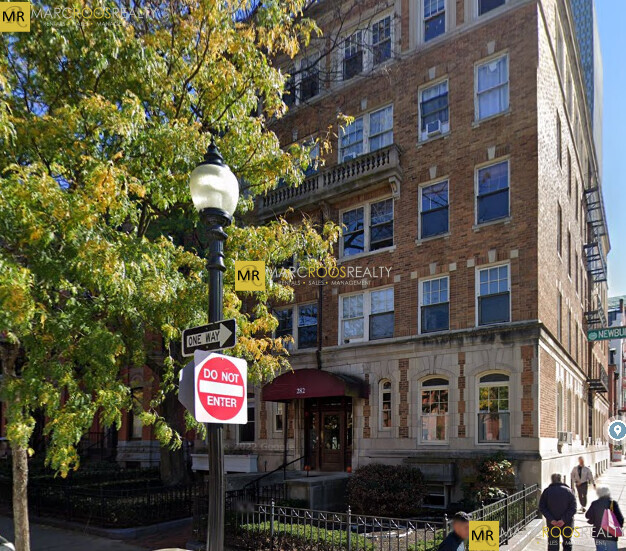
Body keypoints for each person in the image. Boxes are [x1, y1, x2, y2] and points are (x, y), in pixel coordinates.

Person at [539, 473, 577, 551]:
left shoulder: (547, 491)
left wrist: (551, 519)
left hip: (552, 524)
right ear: (561, 480)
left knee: (553, 544)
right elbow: (573, 508)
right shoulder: (569, 491)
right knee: (567, 543)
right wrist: (563, 520)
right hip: (567, 523)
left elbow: (542, 507)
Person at [585, 485, 624, 551]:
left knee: (600, 549)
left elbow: (588, 515)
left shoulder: (595, 503)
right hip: (611, 534)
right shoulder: (613, 503)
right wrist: (617, 527)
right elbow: (621, 518)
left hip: (598, 533)